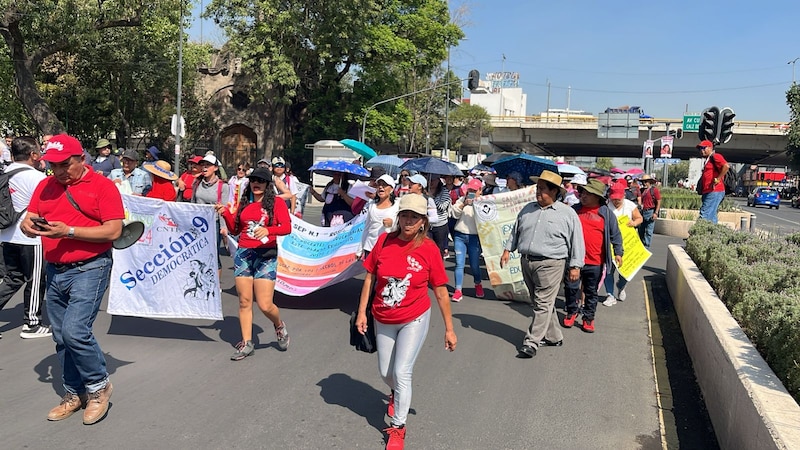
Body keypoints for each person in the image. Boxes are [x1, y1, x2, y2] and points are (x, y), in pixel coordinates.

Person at [20, 134, 124, 425]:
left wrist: (68, 232)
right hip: (54, 270)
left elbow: (114, 231)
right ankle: (74, 393)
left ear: (82, 158)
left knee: (75, 332)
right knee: (60, 337)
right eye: (54, 165)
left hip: (91, 267)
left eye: (65, 164)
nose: (60, 171)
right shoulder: (45, 185)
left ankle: (99, 388)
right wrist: (29, 227)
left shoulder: (103, 187)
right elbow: (29, 218)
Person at [355, 193, 457, 450]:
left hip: (414, 317)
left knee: (402, 372)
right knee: (385, 372)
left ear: (424, 221)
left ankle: (398, 427)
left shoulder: (429, 249)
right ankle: (396, 393)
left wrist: (449, 329)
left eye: (415, 217)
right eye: (405, 215)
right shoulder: (384, 241)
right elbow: (369, 278)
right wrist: (360, 313)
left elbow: (441, 291)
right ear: (399, 217)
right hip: (383, 316)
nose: (409, 221)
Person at [501, 170, 584, 358]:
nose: (538, 192)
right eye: (537, 188)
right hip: (527, 262)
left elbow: (576, 241)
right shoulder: (528, 209)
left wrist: (575, 266)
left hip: (551, 264)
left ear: (555, 191)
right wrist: (508, 249)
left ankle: (531, 342)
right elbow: (516, 231)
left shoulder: (568, 214)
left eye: (543, 189)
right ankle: (554, 336)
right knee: (542, 303)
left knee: (542, 303)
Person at [217, 167, 292, 360]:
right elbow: (234, 229)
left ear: (267, 184)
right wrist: (225, 213)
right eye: (253, 180)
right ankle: (247, 343)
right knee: (244, 300)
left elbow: (286, 227)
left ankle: (279, 325)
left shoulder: (276, 203)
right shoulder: (244, 204)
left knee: (265, 305)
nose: (256, 183)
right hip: (244, 254)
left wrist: (269, 231)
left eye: (260, 180)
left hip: (266, 255)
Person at [0, 136, 51, 339]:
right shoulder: (36, 178)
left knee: (12, 278)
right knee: (36, 279)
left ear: (13, 155)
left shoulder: (4, 173)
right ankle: (32, 323)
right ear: (33, 155)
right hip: (30, 238)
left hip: (6, 234)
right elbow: (48, 207)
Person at [564, 179, 624, 333]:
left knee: (591, 292)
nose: (583, 196)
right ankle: (571, 312)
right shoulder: (574, 210)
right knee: (571, 288)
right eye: (582, 192)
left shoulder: (606, 214)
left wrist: (618, 252)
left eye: (588, 193)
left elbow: (615, 234)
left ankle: (588, 318)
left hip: (595, 262)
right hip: (574, 261)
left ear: (597, 197)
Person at [602, 181, 643, 307]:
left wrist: (634, 223)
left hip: (627, 242)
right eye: (613, 199)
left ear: (624, 196)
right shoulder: (606, 206)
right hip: (609, 242)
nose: (616, 201)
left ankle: (621, 285)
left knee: (626, 271)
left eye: (618, 199)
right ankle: (610, 294)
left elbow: (639, 218)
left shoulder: (630, 206)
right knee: (609, 270)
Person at [192, 155, 230, 275]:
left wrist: (224, 228)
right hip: (197, 224)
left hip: (214, 224)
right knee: (197, 254)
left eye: (207, 165)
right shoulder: (197, 182)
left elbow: (223, 209)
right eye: (203, 165)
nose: (204, 168)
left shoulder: (223, 186)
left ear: (215, 168)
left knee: (212, 254)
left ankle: (216, 288)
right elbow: (193, 203)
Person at [450, 178, 485, 301]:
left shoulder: (484, 202)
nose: (471, 192)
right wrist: (463, 203)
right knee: (459, 264)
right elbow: (453, 213)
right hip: (460, 235)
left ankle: (478, 283)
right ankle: (458, 290)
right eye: (469, 189)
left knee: (475, 265)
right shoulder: (462, 200)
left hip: (474, 238)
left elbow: (486, 221)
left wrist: (477, 204)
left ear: (480, 190)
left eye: (474, 190)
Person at [358, 174, 399, 258]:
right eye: (379, 185)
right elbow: (367, 227)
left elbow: (400, 226)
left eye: (384, 185)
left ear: (391, 189)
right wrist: (360, 250)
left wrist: (392, 223)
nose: (381, 187)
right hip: (370, 247)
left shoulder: (397, 205)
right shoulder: (372, 205)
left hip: (387, 247)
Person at [697, 139, 730, 224]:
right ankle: (712, 235)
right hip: (709, 191)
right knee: (712, 216)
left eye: (703, 148)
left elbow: (726, 166)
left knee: (704, 214)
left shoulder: (715, 156)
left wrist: (718, 179)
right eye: (700, 148)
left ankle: (699, 235)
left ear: (710, 148)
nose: (701, 150)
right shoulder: (708, 160)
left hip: (714, 190)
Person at [426, 174, 451, 258]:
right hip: (428, 224)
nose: (431, 182)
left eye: (433, 180)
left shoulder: (444, 191)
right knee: (427, 249)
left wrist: (432, 197)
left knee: (439, 250)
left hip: (440, 225)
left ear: (438, 180)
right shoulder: (425, 190)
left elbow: (442, 208)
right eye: (430, 179)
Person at [638, 174, 661, 248]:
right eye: (643, 182)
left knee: (649, 231)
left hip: (650, 211)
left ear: (650, 182)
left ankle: (646, 246)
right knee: (641, 230)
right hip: (642, 212)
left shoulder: (654, 190)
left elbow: (658, 201)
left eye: (646, 181)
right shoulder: (641, 190)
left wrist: (656, 213)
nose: (644, 183)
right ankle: (642, 245)